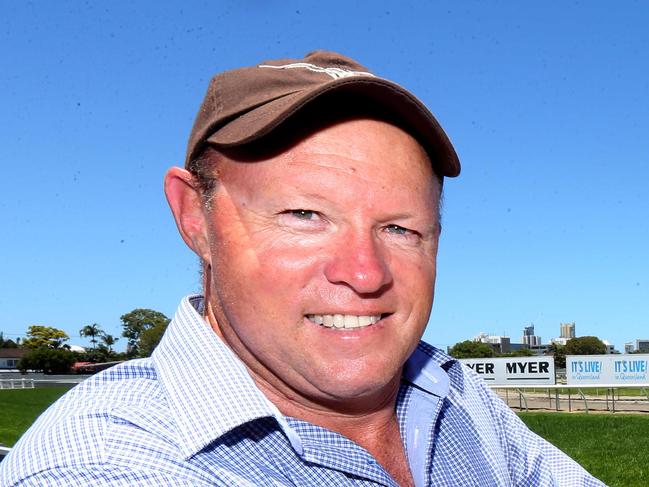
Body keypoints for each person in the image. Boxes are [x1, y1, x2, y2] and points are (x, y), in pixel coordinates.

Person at [0, 51, 604, 486]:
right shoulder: (106, 464)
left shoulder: (452, 394)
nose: (365, 274)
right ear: (195, 218)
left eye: (401, 228)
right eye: (304, 214)